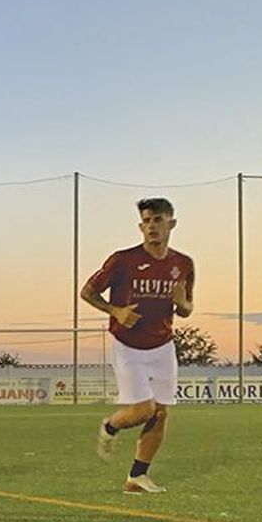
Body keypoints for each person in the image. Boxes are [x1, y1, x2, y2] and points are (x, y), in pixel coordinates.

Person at [80, 197, 195, 494]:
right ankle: (111, 426)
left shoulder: (183, 264)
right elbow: (88, 292)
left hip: (163, 345)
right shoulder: (122, 260)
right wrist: (115, 310)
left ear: (171, 223)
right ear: (140, 226)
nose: (151, 226)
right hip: (128, 344)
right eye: (146, 221)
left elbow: (186, 309)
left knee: (161, 412)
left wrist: (182, 303)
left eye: (158, 220)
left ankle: (137, 476)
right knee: (144, 409)